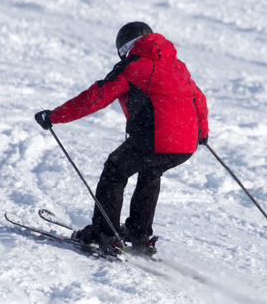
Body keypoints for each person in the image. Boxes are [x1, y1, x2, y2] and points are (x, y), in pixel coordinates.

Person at [34, 22, 208, 254]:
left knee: (114, 171)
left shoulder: (134, 66)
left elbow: (95, 97)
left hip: (155, 139)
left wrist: (54, 116)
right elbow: (199, 99)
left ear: (125, 47)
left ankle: (104, 234)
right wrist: (202, 132)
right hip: (184, 144)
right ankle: (138, 232)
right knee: (150, 172)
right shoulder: (177, 65)